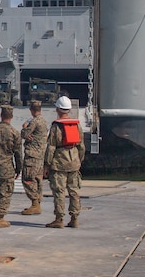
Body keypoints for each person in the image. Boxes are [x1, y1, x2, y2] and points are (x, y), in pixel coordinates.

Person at [44, 95, 85, 228]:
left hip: (59, 162)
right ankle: (74, 218)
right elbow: (81, 146)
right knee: (74, 191)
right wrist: (79, 160)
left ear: (58, 109)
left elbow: (51, 147)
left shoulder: (56, 126)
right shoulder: (76, 124)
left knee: (59, 191)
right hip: (74, 160)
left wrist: (47, 164)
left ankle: (59, 219)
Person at [19, 100, 48, 215]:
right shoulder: (44, 121)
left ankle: (35, 203)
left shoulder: (34, 122)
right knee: (37, 178)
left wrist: (24, 127)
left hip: (32, 155)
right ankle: (37, 202)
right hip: (40, 155)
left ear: (31, 110)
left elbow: (24, 134)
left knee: (28, 179)